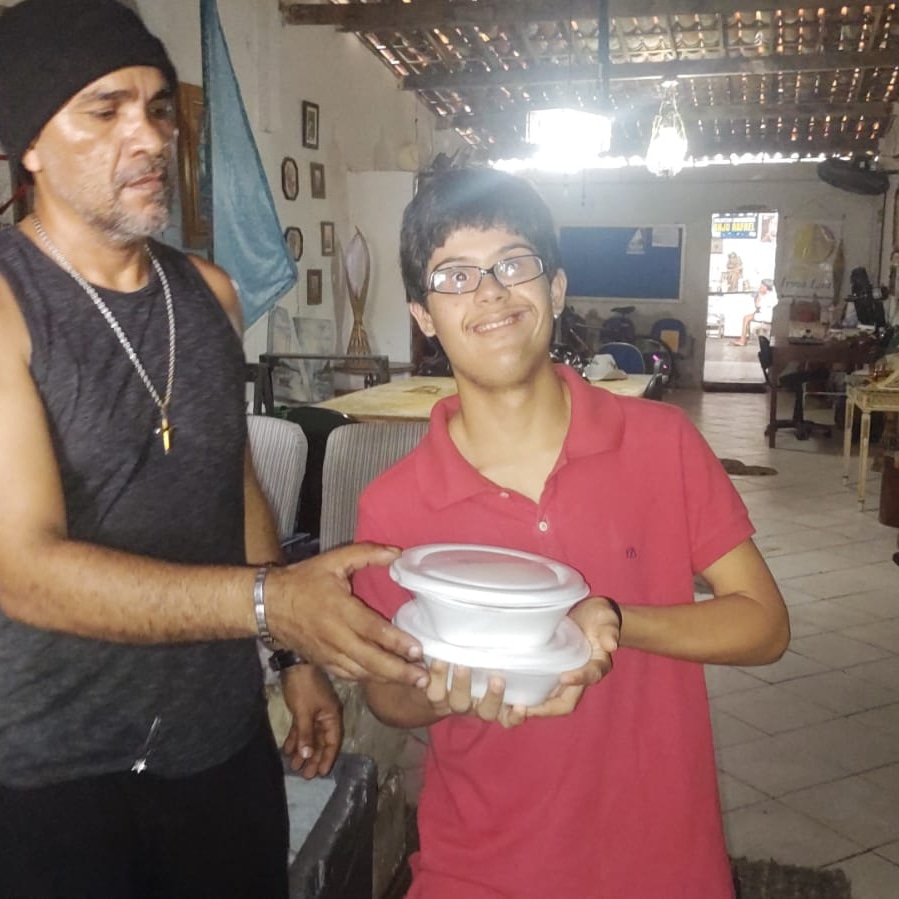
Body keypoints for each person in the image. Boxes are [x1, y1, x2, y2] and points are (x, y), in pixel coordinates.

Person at [0, 2, 424, 896]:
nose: (150, 136)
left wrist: (292, 657)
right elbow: (23, 569)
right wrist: (275, 604)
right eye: (105, 110)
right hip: (48, 773)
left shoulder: (209, 293)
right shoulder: (10, 302)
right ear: (29, 144)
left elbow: (232, 482)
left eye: (158, 108)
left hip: (219, 746)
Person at [352, 168, 790, 899]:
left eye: (512, 264)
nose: (489, 292)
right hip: (480, 870)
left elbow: (764, 625)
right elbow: (383, 693)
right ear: (423, 316)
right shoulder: (394, 505)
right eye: (455, 276)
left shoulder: (661, 442)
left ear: (554, 289)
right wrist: (443, 687)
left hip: (665, 868)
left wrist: (614, 621)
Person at [732, 277, 777, 346]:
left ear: (766, 287)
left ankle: (742, 340)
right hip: (771, 315)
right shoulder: (773, 294)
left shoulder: (766, 296)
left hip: (766, 316)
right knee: (750, 316)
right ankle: (744, 338)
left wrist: (759, 294)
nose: (760, 288)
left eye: (761, 287)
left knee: (746, 318)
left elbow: (757, 305)